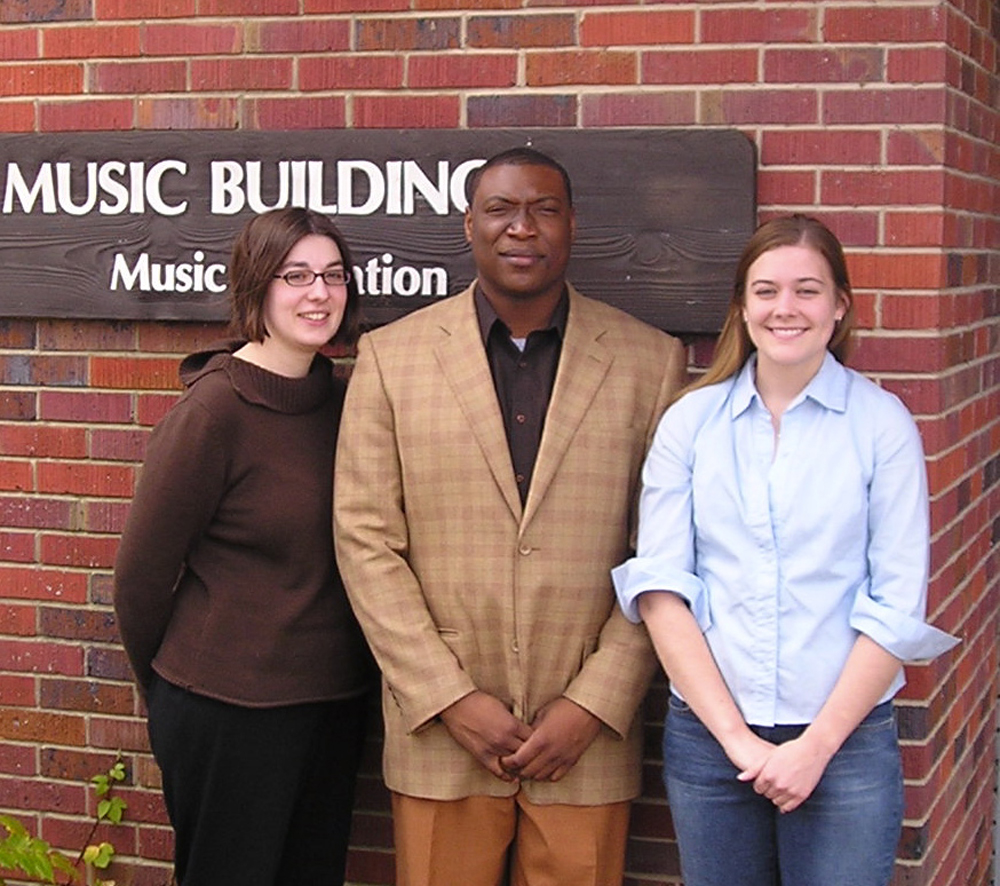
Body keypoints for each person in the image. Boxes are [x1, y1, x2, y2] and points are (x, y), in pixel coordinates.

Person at [333, 147, 687, 886]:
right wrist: (449, 697)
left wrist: (594, 703)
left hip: (584, 741)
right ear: (469, 225)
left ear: (572, 226)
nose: (521, 227)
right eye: (500, 209)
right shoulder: (391, 359)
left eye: (543, 209)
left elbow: (665, 554)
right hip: (441, 735)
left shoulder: (648, 361)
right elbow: (365, 542)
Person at [612, 214, 959, 886]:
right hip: (713, 744)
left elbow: (894, 605)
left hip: (845, 745)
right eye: (766, 290)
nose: (786, 308)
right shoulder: (691, 422)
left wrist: (814, 748)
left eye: (807, 289)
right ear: (743, 307)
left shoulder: (880, 424)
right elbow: (660, 589)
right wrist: (738, 741)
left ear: (839, 306)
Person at [113, 207, 374, 886]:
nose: (319, 293)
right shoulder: (213, 412)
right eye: (296, 275)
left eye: (333, 276)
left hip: (331, 705)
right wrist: (177, 690)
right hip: (225, 710)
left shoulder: (349, 405)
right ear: (257, 285)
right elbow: (140, 579)